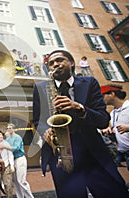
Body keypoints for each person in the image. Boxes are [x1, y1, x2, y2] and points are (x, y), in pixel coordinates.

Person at [33, 49, 129, 197]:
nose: (55, 65)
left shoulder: (90, 82)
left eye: (59, 60)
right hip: (61, 155)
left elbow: (103, 120)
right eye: (51, 63)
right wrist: (44, 131)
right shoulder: (39, 88)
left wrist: (80, 108)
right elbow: (38, 121)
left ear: (71, 63)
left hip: (92, 152)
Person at [101, 84, 129, 170]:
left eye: (103, 96)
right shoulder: (112, 114)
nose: (101, 99)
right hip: (125, 152)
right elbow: (118, 129)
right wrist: (110, 130)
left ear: (112, 94)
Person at [6, 123, 34, 198]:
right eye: (8, 128)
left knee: (21, 181)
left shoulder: (17, 137)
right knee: (15, 181)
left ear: (14, 129)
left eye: (10, 128)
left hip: (20, 159)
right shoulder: (7, 139)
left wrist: (7, 147)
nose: (9, 129)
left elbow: (16, 148)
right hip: (13, 160)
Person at [0, 130, 15, 198]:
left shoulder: (6, 143)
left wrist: (12, 166)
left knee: (8, 184)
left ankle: (9, 196)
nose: (0, 136)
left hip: (6, 166)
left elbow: (10, 155)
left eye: (1, 134)